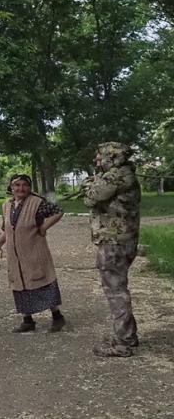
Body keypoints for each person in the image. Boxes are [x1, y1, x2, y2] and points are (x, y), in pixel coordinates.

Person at [82, 142, 141, 357]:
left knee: (116, 291)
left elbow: (90, 198)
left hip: (113, 241)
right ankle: (129, 335)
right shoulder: (123, 174)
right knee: (119, 288)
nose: (97, 161)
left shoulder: (115, 175)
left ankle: (122, 343)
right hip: (122, 240)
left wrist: (89, 183)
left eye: (100, 157)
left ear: (112, 156)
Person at [0, 174, 65, 333]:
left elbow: (58, 212)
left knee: (43, 283)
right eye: (17, 185)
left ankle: (57, 317)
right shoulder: (6, 206)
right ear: (11, 188)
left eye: (24, 185)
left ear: (29, 187)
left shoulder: (37, 203)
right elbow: (8, 231)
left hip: (34, 253)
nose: (20, 188)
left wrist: (43, 228)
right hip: (15, 256)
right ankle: (28, 320)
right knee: (20, 286)